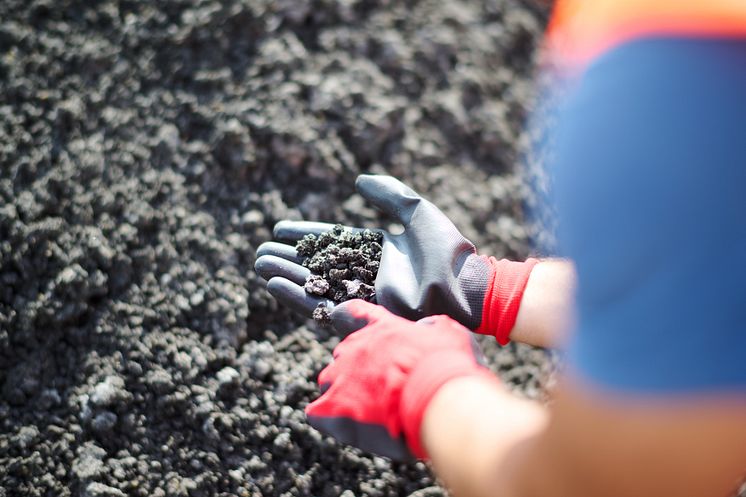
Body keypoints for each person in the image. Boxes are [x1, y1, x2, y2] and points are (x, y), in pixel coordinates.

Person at [255, 1, 746, 495]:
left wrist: (429, 391)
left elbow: (598, 487)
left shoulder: (688, 117)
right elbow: (698, 296)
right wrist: (489, 291)